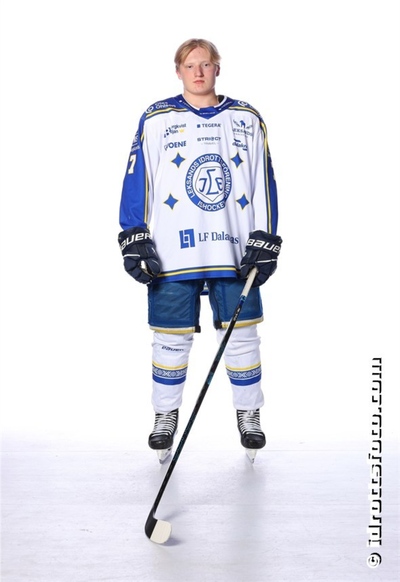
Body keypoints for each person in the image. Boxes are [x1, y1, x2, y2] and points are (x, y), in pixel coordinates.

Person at [118, 38, 282, 463]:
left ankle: (249, 414)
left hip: (234, 248)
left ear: (217, 69)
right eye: (190, 65)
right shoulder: (157, 118)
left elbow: (263, 180)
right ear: (178, 71)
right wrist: (133, 232)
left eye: (205, 64)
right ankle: (164, 416)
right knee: (170, 340)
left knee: (242, 336)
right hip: (174, 250)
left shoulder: (246, 118)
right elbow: (138, 178)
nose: (198, 72)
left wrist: (266, 236)